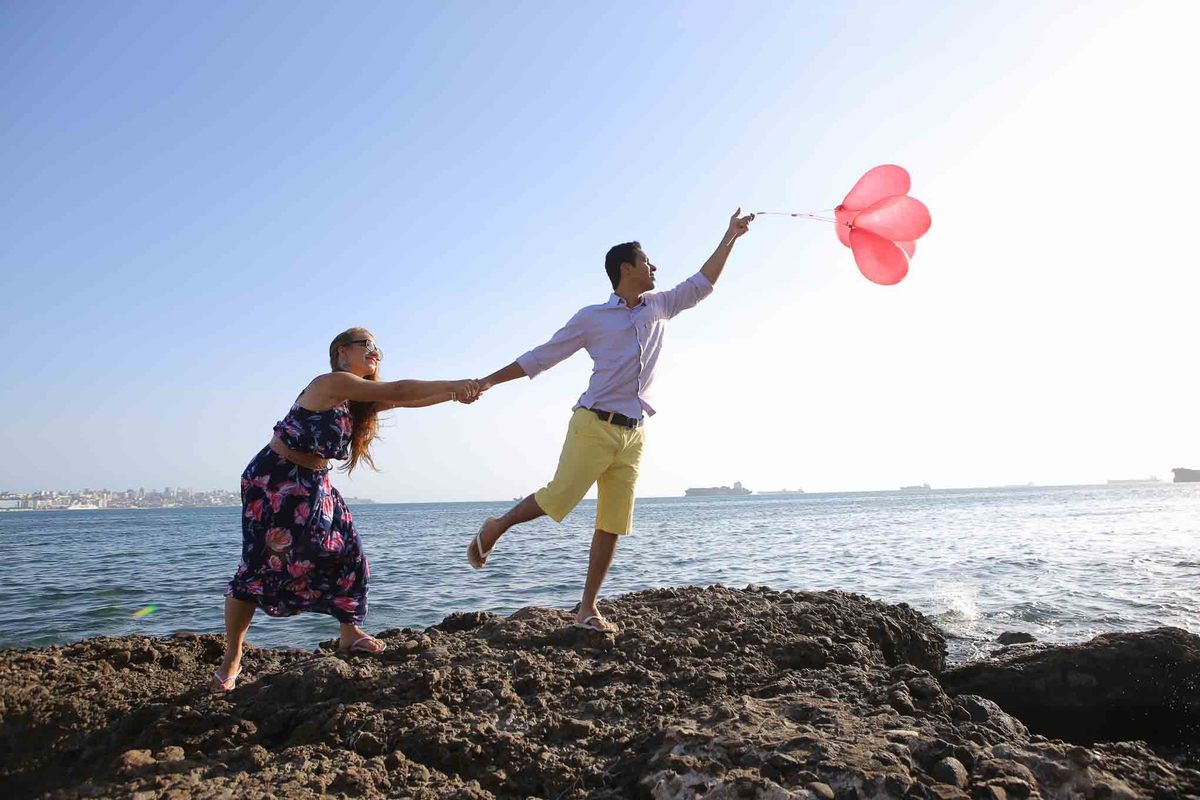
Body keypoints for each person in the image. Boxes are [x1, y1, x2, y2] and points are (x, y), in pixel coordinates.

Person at [466, 209, 754, 632]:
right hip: (593, 425)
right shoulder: (592, 318)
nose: (655, 268)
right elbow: (542, 356)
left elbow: (703, 282)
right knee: (557, 497)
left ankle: (587, 608)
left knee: (613, 521)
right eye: (647, 262)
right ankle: (497, 526)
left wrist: (730, 237)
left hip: (635, 432)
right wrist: (488, 381)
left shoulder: (660, 305)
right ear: (626, 269)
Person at [212, 327, 480, 691]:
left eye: (378, 348)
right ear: (341, 353)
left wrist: (453, 394)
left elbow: (404, 400)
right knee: (259, 567)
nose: (376, 353)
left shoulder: (356, 399)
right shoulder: (330, 383)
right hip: (275, 480)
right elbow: (398, 390)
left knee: (350, 554)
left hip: (314, 482)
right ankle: (233, 658)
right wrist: (457, 382)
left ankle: (349, 633)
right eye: (367, 345)